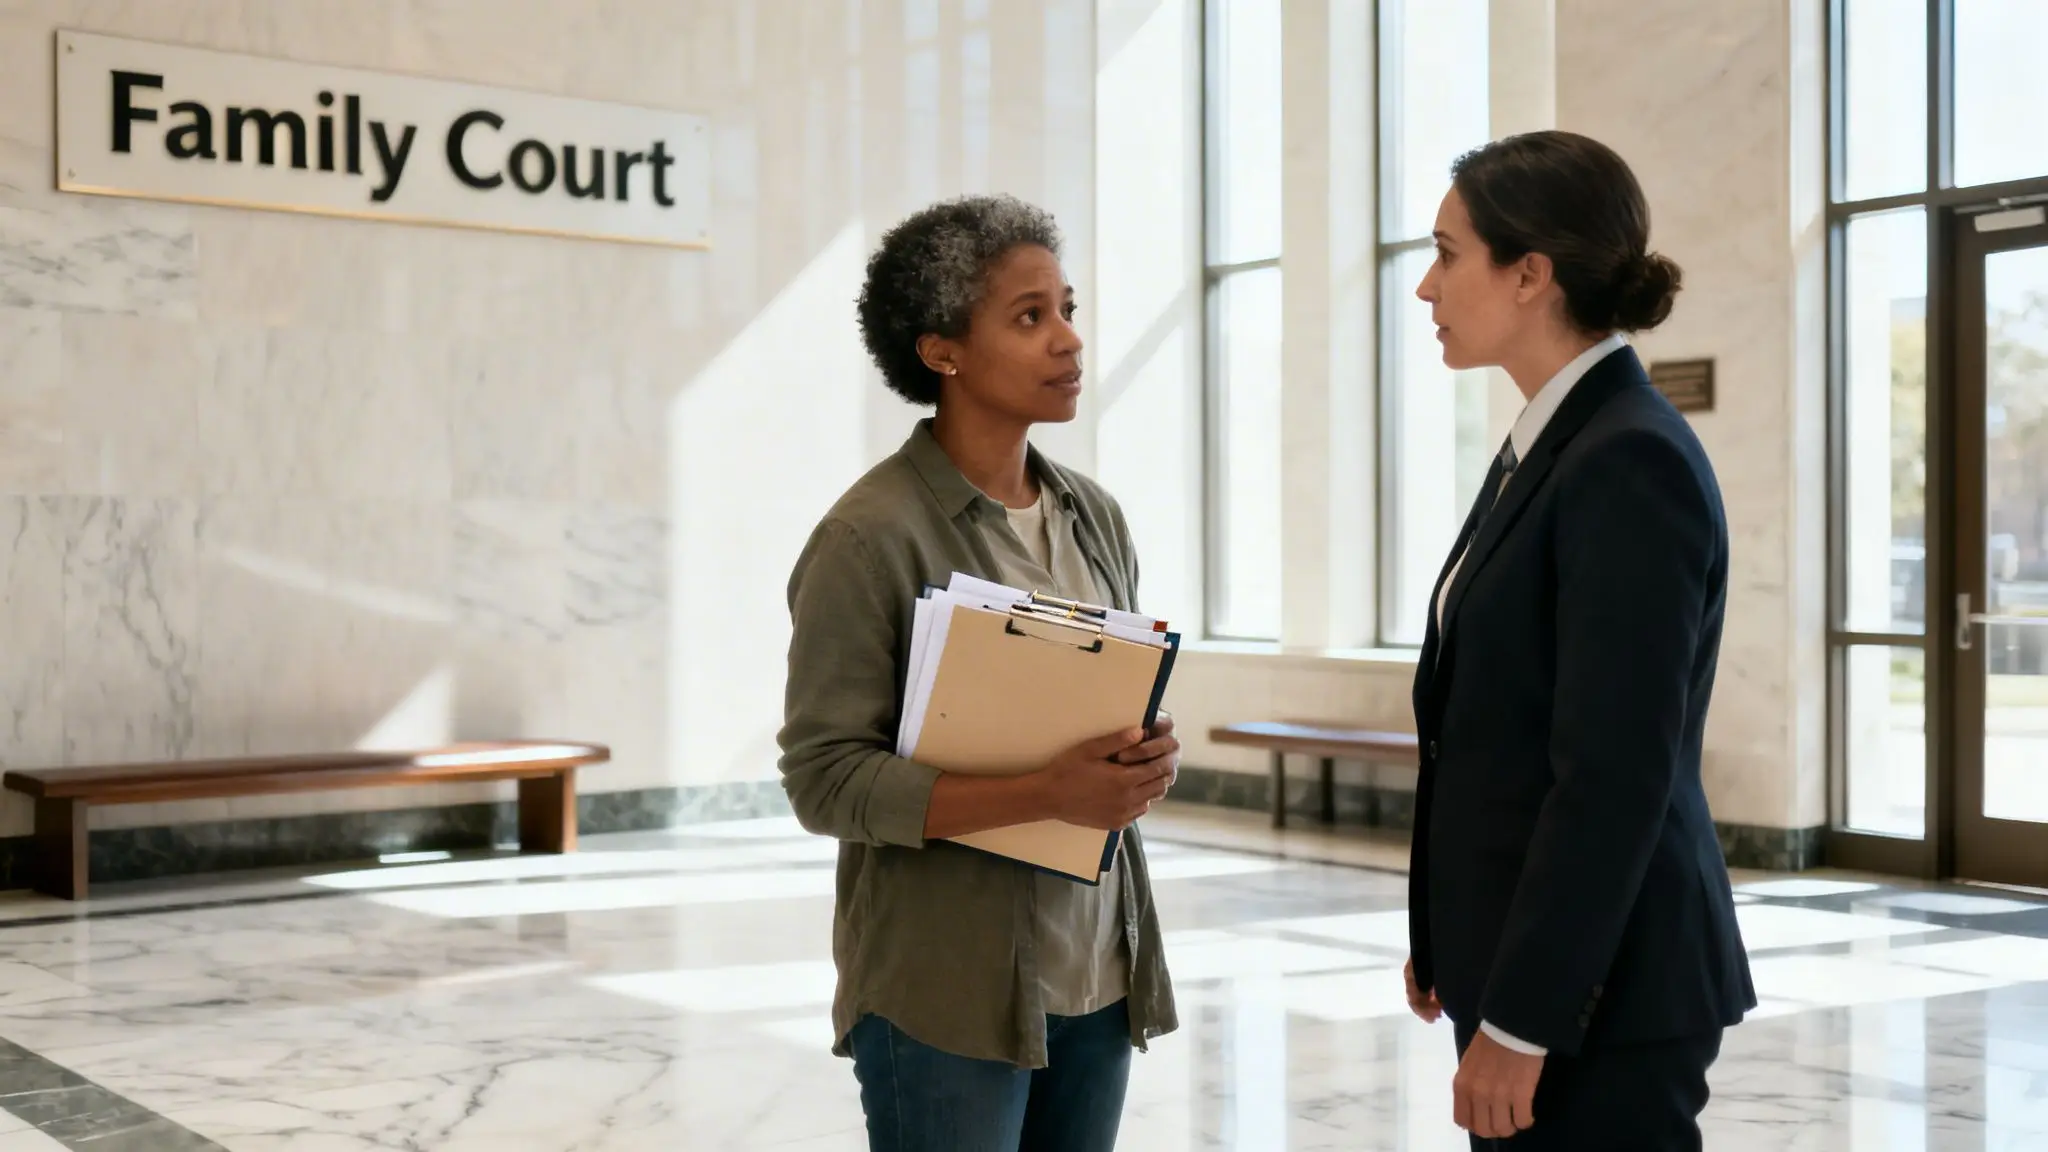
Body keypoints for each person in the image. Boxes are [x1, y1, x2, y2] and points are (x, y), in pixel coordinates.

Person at [776, 193, 1181, 1152]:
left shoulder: (1095, 516)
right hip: (944, 993)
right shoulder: (866, 538)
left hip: (1097, 971)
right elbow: (825, 781)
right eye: (1030, 316)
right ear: (942, 351)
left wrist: (1142, 757)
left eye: (1068, 308)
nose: (1069, 340)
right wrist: (1046, 790)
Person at [1402, 130, 1756, 1150]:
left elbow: (1609, 775)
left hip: (1602, 998)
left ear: (1527, 274)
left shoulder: (1625, 457)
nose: (1426, 287)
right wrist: (1448, 937)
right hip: (1534, 970)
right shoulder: (1551, 442)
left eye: (1444, 253)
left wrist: (1521, 1020)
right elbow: (1490, 730)